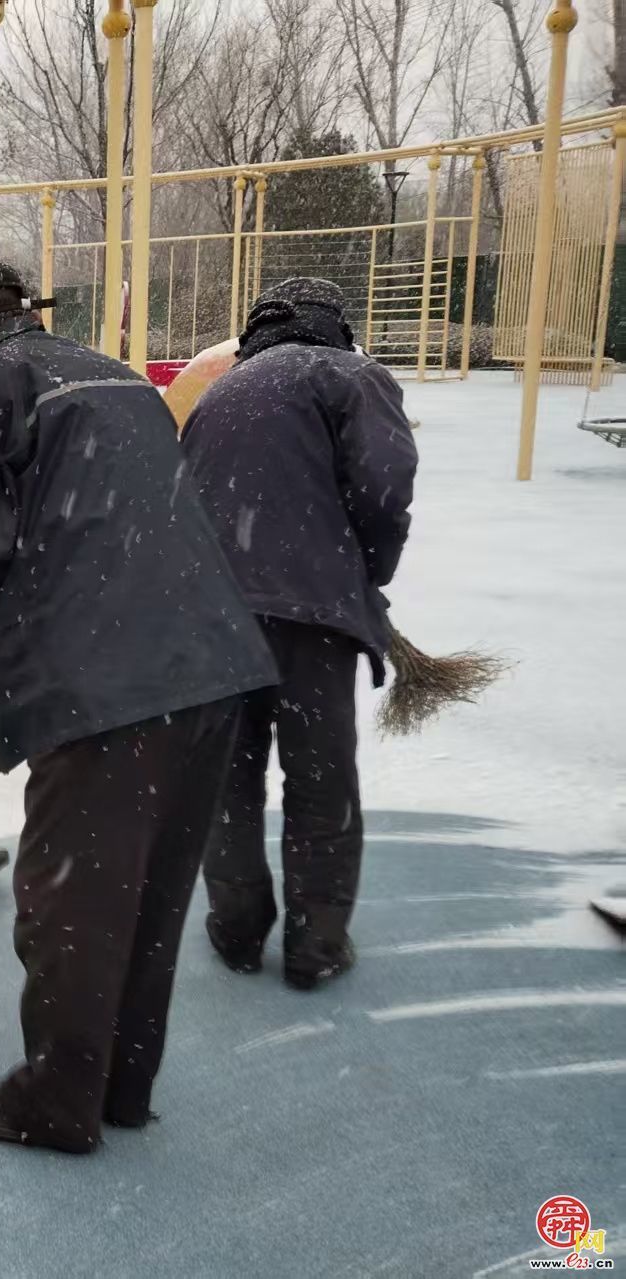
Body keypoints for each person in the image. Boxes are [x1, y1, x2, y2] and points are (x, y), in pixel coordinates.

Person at [0, 262, 278, 1154]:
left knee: (71, 897)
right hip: (211, 660)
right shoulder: (110, 374)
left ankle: (56, 1098)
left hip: (107, 680)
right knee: (149, 895)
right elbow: (99, 526)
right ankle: (119, 1081)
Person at [182, 277, 417, 989]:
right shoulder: (350, 376)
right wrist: (366, 574)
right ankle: (316, 945)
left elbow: (181, 504)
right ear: (334, 327)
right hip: (310, 621)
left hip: (216, 621)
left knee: (229, 781)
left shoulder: (217, 395)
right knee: (320, 782)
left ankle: (236, 929)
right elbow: (384, 485)